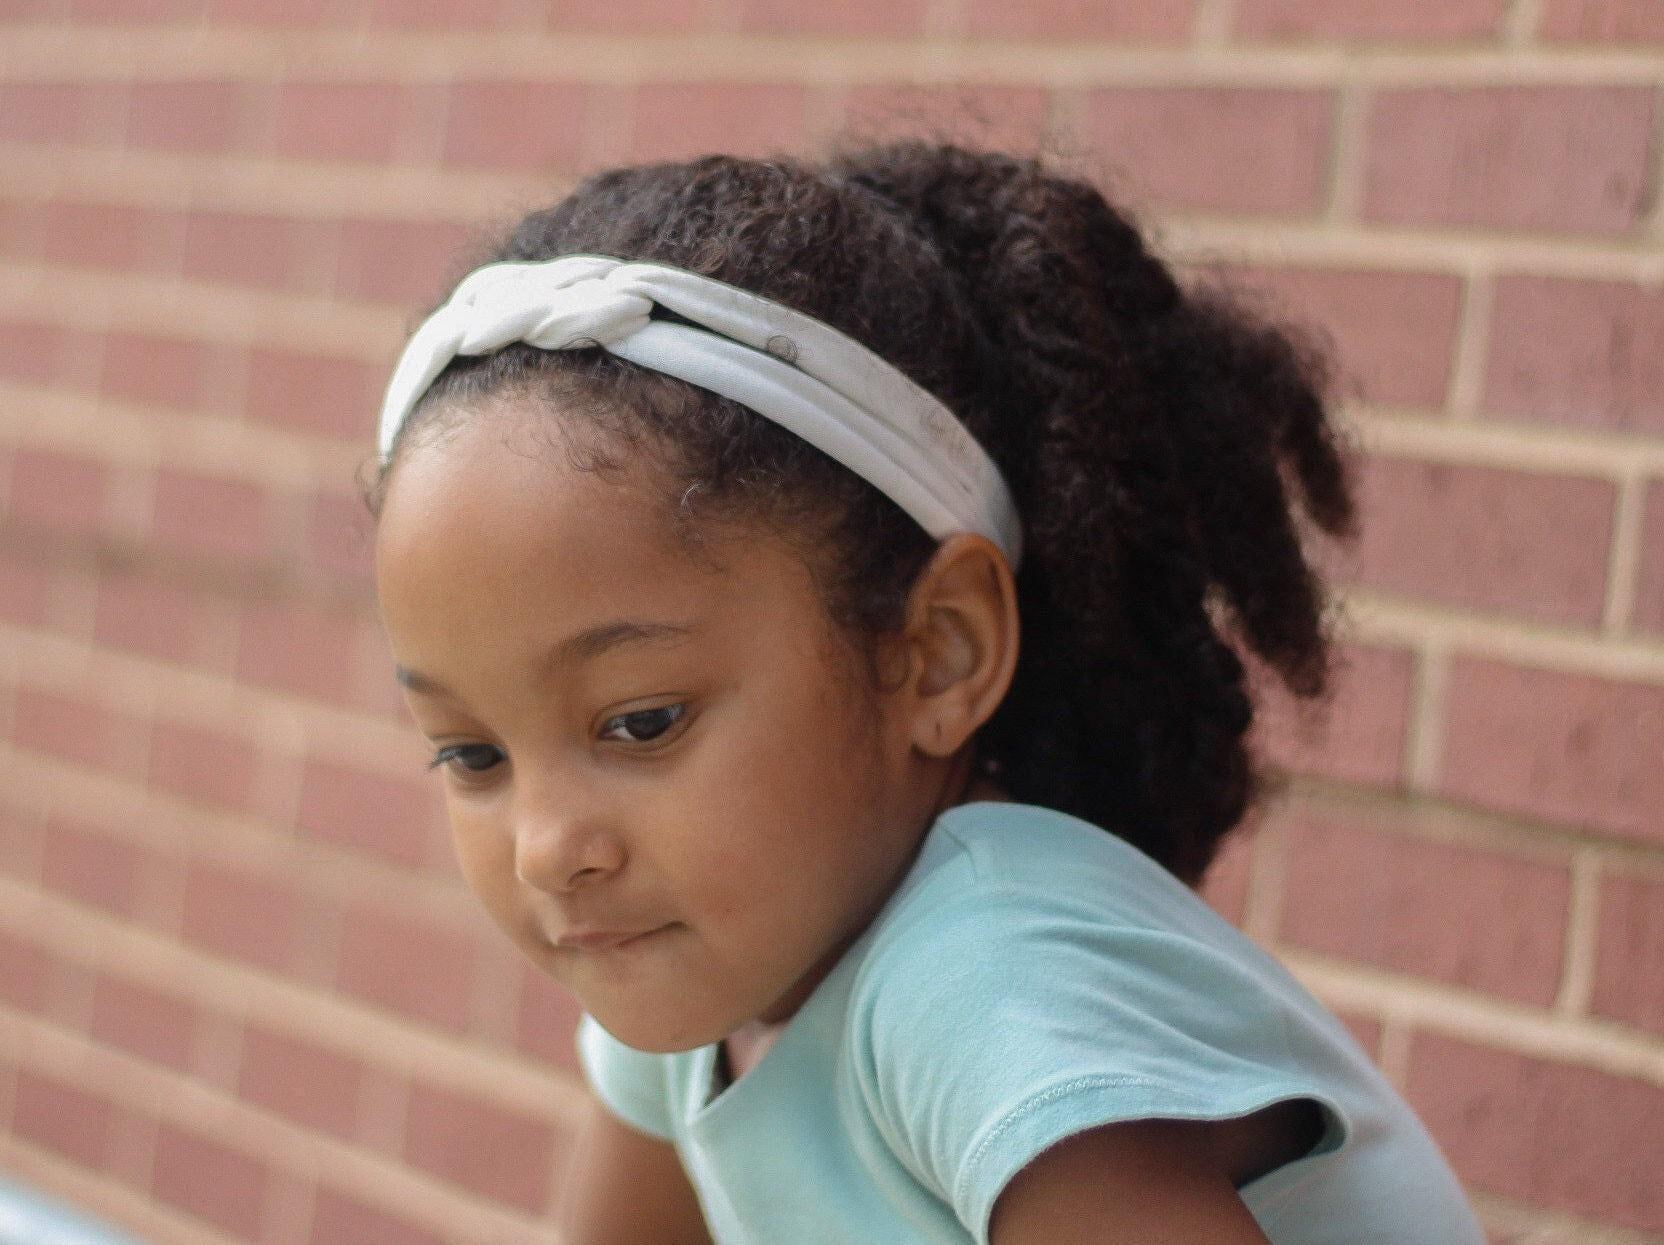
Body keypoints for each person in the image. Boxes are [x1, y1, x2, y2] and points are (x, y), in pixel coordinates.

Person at [366, 139, 1486, 1244]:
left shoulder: (985, 978)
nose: (546, 848)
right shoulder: (701, 973)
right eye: (471, 755)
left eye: (641, 722)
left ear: (936, 652)